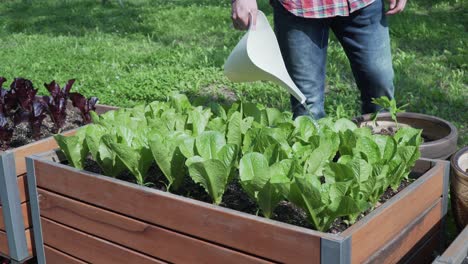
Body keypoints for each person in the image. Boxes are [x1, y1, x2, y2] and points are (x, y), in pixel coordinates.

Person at [231, 0, 406, 119]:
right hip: (299, 7)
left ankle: (384, 159)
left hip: (362, 4)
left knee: (379, 84)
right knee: (307, 105)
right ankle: (314, 169)